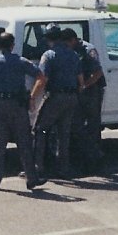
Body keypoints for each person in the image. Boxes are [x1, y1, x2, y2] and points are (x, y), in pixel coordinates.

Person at [0, 32, 43, 190]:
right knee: (24, 141)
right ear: (12, 45)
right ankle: (31, 178)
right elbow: (40, 75)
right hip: (17, 104)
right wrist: (32, 97)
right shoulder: (21, 61)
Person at [31, 25, 83, 181]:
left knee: (39, 130)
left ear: (48, 39)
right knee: (63, 134)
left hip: (55, 96)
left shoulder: (49, 55)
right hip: (71, 96)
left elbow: (43, 80)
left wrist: (32, 97)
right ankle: (63, 168)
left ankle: (37, 167)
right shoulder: (73, 55)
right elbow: (80, 80)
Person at [67, 27, 106, 172]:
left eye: (67, 43)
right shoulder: (71, 49)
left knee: (93, 125)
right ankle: (89, 154)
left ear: (73, 40)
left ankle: (95, 159)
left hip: (92, 90)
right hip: (80, 91)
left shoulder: (88, 49)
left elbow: (97, 73)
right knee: (76, 125)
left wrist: (84, 86)